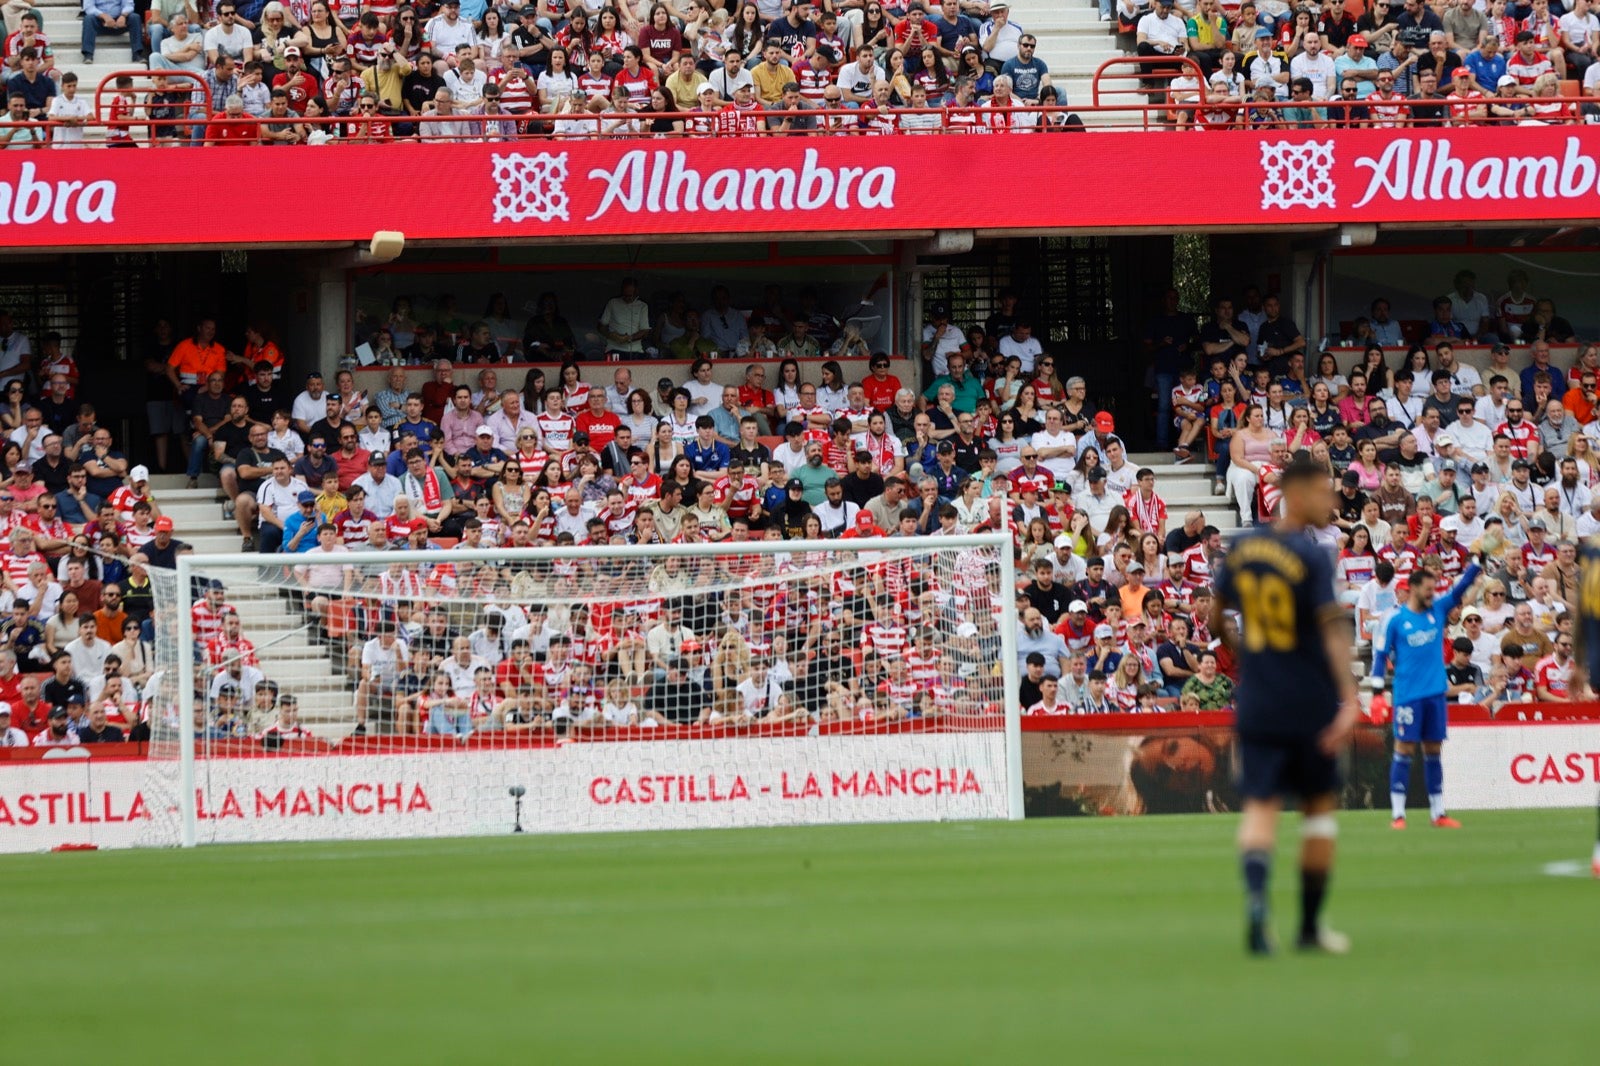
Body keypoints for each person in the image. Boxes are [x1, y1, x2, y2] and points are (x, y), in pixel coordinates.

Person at [1210, 458, 1361, 955]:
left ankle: (1257, 912)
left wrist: (1248, 655)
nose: (1332, 502)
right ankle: (1310, 928)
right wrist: (1350, 697)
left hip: (1258, 698)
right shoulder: (1311, 555)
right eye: (1324, 493)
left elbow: (1215, 618)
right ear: (1295, 494)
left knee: (1260, 809)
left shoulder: (1242, 547)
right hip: (1309, 699)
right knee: (1318, 811)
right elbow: (1331, 628)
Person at [1369, 558, 1481, 831]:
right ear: (1413, 588)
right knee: (1404, 750)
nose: (1433, 593)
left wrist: (1478, 561)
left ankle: (1438, 812)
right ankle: (1398, 815)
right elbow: (1380, 656)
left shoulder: (1439, 610)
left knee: (1433, 751)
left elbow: (1460, 589)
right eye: (1428, 589)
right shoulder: (1395, 620)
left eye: (1434, 588)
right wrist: (1377, 693)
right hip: (1408, 694)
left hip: (1435, 695)